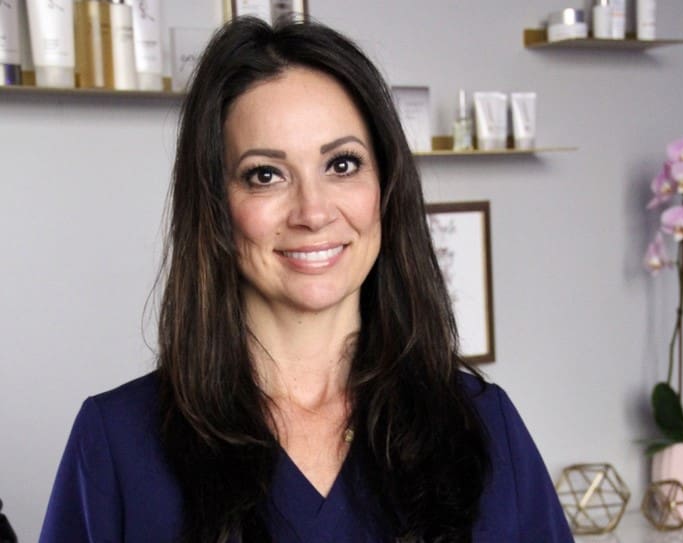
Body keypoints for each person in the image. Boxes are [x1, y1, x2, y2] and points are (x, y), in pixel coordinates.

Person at [39, 16, 573, 543]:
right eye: (265, 174)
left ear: (385, 187)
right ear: (215, 206)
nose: (313, 212)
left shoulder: (483, 424)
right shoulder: (116, 443)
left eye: (342, 165)